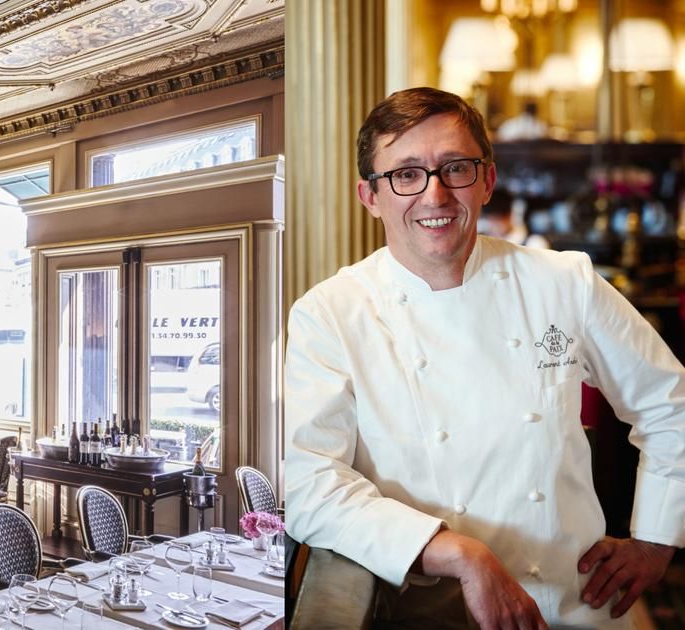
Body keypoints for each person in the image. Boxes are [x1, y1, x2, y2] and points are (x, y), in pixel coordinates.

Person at [283, 87, 683, 629]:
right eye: (406, 174)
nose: (435, 195)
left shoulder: (565, 283)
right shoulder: (330, 314)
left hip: (575, 606)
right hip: (426, 613)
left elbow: (670, 404)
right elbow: (311, 486)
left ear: (488, 181)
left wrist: (656, 539)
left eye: (456, 168)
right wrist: (459, 553)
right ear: (370, 196)